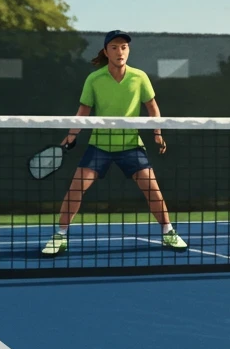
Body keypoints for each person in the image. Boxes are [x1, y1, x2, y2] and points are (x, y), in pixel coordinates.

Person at [42, 30, 188, 256]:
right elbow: (83, 111)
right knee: (75, 189)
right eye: (114, 47)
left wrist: (157, 132)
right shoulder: (94, 79)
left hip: (131, 145)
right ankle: (60, 236)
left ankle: (168, 232)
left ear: (128, 50)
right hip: (100, 144)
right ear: (106, 51)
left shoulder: (140, 77)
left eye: (124, 47)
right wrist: (72, 135)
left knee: (152, 190)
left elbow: (152, 107)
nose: (120, 52)